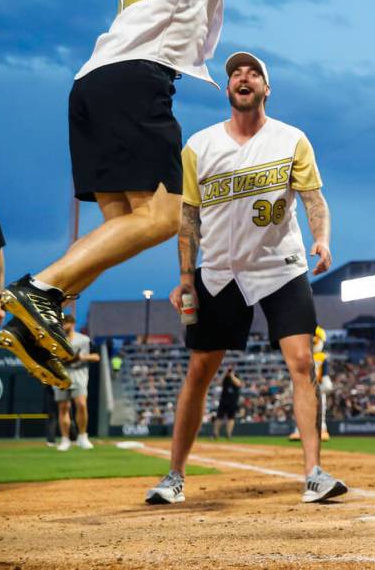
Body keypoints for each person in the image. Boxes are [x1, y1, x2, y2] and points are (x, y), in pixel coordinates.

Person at [0, 0, 262, 385]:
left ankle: (32, 320)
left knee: (122, 228)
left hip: (96, 80)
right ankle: (39, 288)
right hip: (136, 79)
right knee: (166, 215)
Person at [145, 52, 346, 505]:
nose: (243, 76)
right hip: (218, 270)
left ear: (265, 89)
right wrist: (185, 276)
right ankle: (174, 476)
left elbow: (315, 199)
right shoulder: (200, 145)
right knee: (200, 370)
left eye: (253, 72)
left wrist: (323, 239)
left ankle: (314, 473)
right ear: (229, 87)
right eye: (236, 71)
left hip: (280, 265)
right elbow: (187, 217)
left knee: (301, 363)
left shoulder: (291, 139)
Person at [54, 315, 100, 451]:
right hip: (61, 374)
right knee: (63, 407)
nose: (63, 325)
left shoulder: (84, 339)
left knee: (81, 404)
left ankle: (82, 436)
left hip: (79, 374)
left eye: (65, 323)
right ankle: (65, 439)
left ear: (72, 323)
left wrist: (81, 357)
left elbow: (97, 356)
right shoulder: (55, 339)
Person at [212, 366, 243, 439]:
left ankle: (228, 434)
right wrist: (224, 374)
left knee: (231, 418)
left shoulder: (236, 376)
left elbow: (238, 383)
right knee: (219, 417)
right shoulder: (225, 377)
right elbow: (219, 383)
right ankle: (215, 434)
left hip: (233, 401)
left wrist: (231, 375)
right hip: (224, 400)